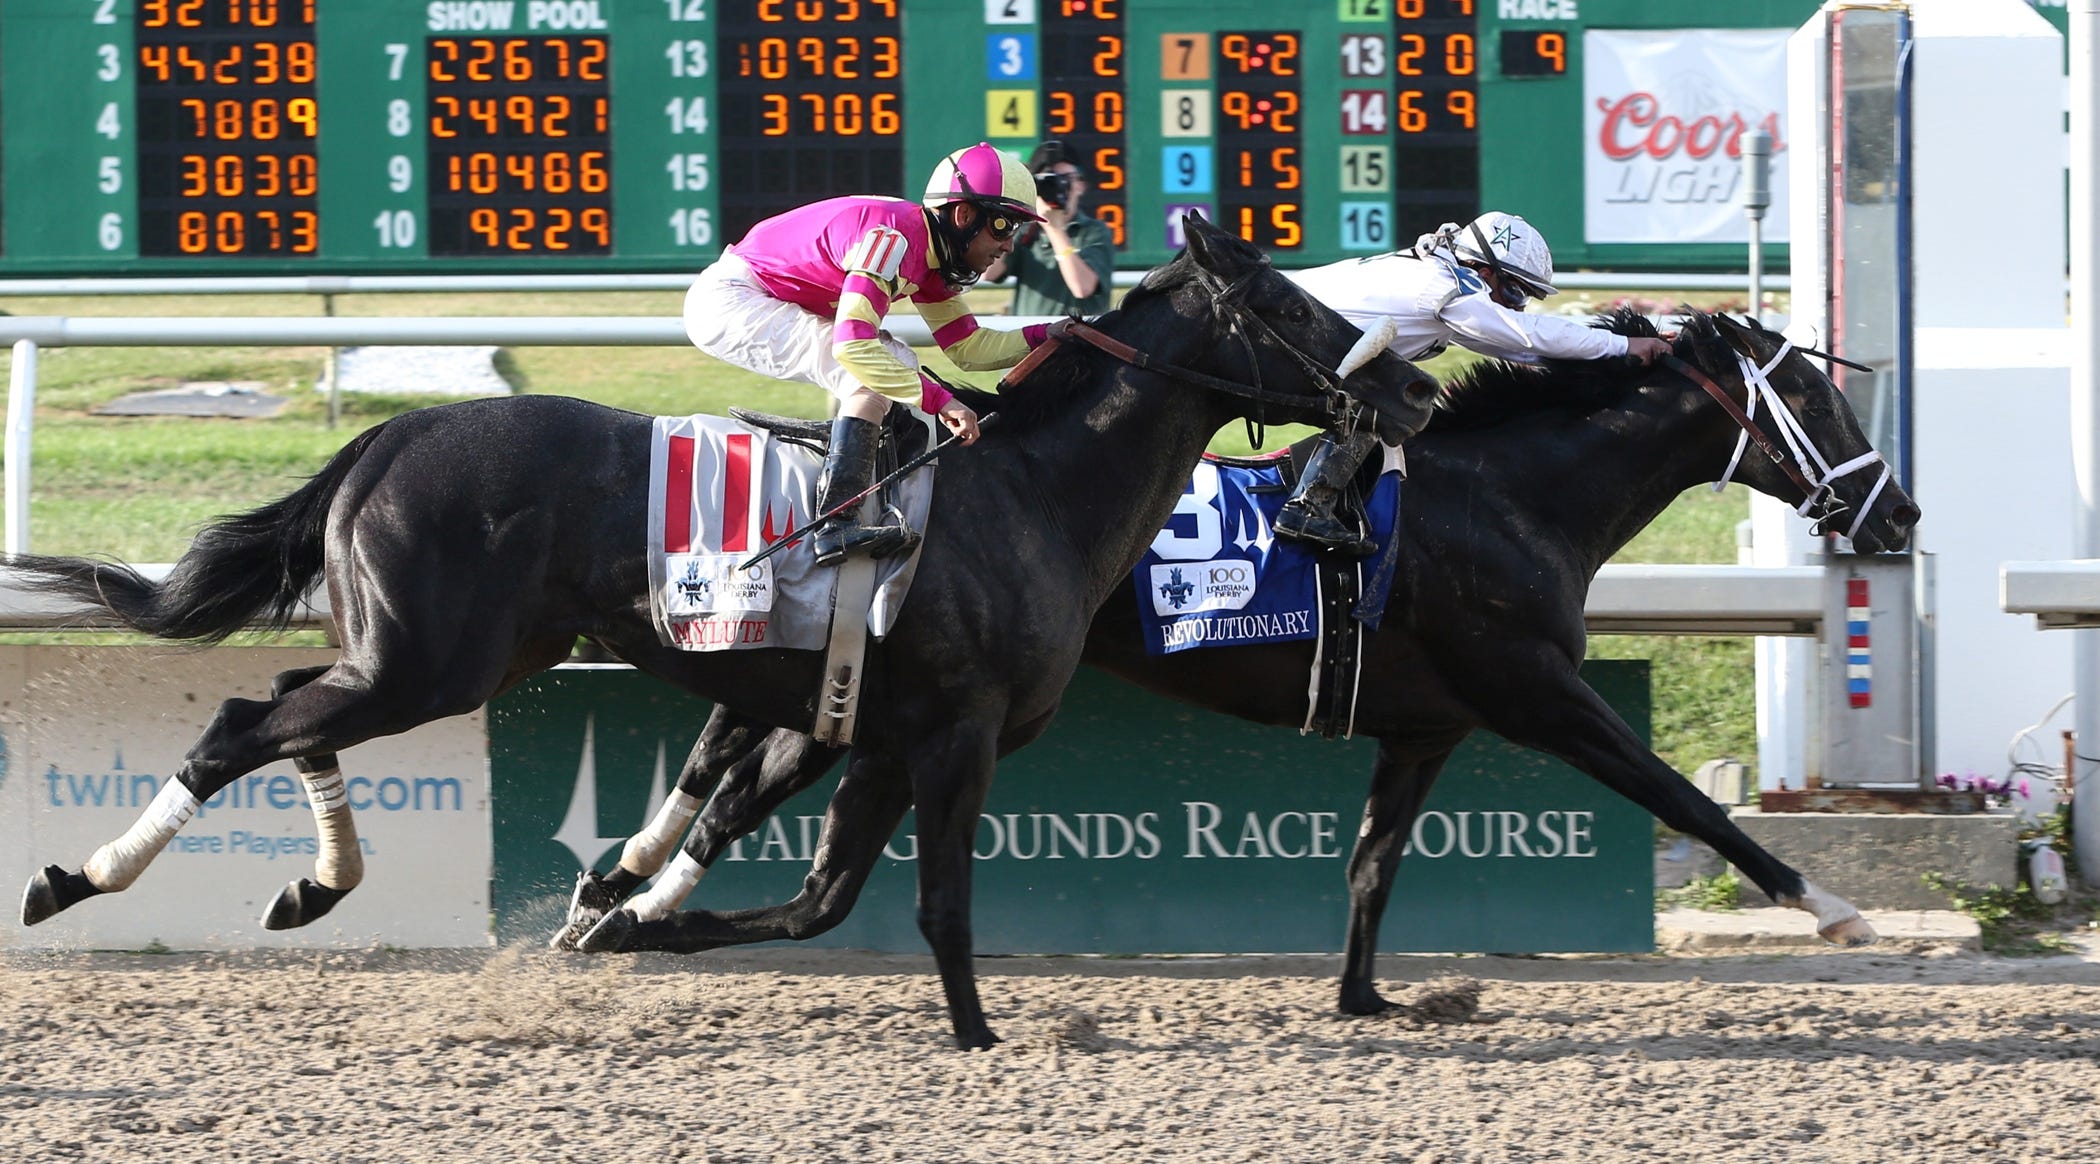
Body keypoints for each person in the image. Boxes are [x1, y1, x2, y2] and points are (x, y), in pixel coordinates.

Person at [684, 143, 1058, 565]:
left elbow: (967, 347)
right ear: (964, 216)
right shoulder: (891, 239)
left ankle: (868, 490)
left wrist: (1052, 332)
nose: (1009, 246)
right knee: (872, 369)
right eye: (1005, 227)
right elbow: (853, 345)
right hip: (731, 300)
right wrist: (942, 400)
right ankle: (834, 523)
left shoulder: (933, 254)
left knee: (898, 361)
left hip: (754, 295)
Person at [1277, 210, 1674, 555]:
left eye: (1526, 299)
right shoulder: (1445, 285)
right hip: (1274, 339)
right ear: (1484, 272)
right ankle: (1309, 507)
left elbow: (1519, 349)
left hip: (1289, 334)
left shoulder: (1441, 274)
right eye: (1516, 292)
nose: (1517, 306)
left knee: (1395, 389)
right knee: (1400, 398)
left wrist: (1613, 353)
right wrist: (1621, 344)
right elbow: (1523, 335)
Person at [981, 140, 1116, 318]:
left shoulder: (1094, 232)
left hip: (1081, 343)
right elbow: (988, 273)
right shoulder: (1025, 230)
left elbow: (1082, 288)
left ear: (1080, 185)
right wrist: (1013, 214)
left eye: (1066, 179)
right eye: (1048, 181)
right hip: (1033, 343)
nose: (1058, 188)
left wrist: (1055, 229)